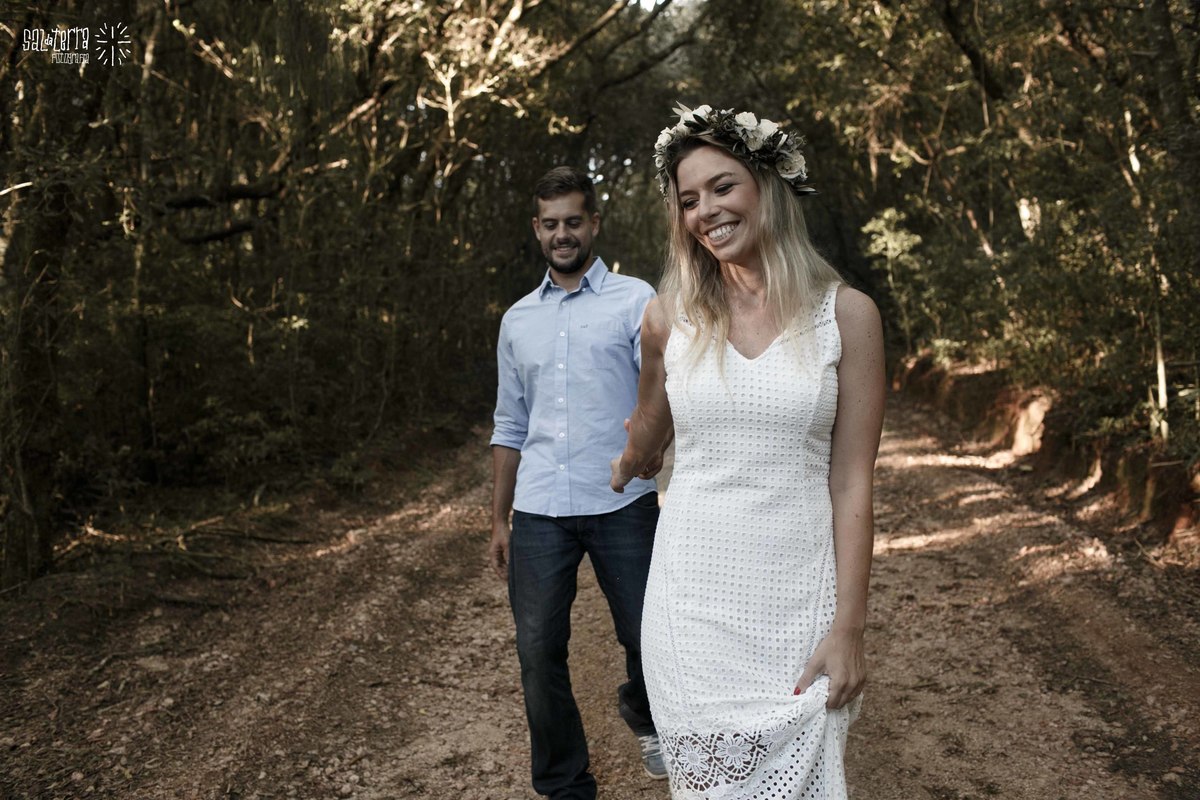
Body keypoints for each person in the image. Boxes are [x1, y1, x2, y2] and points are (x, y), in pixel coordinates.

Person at [611, 105, 885, 799]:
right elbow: (649, 423)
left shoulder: (847, 316)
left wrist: (849, 627)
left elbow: (852, 482)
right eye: (689, 200)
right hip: (690, 605)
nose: (706, 210)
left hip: (799, 602)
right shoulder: (669, 316)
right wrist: (630, 458)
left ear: (768, 185)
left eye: (723, 186)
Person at [490, 166, 668, 798]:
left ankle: (646, 712)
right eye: (550, 224)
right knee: (538, 651)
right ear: (536, 230)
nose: (561, 234)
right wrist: (498, 518)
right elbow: (510, 423)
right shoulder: (516, 320)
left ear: (593, 223)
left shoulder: (635, 298)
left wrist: (654, 447)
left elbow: (661, 392)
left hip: (623, 500)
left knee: (649, 634)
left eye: (573, 221)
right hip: (540, 506)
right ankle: (565, 784)